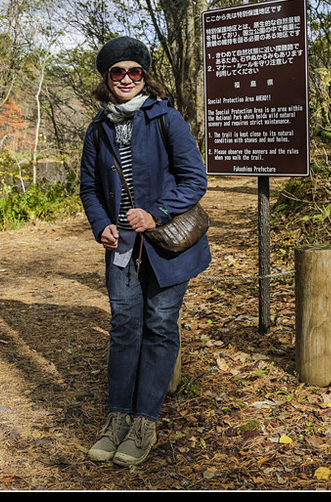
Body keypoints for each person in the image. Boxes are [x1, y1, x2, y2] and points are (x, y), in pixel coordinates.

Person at [79, 36, 211, 467]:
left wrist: (156, 212)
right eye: (117, 72)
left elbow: (195, 180)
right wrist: (101, 224)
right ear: (107, 78)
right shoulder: (97, 129)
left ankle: (144, 423)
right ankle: (117, 418)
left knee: (158, 325)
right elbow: (89, 188)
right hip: (122, 249)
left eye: (134, 71)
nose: (126, 79)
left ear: (145, 76)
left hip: (166, 247)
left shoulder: (166, 118)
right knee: (124, 328)